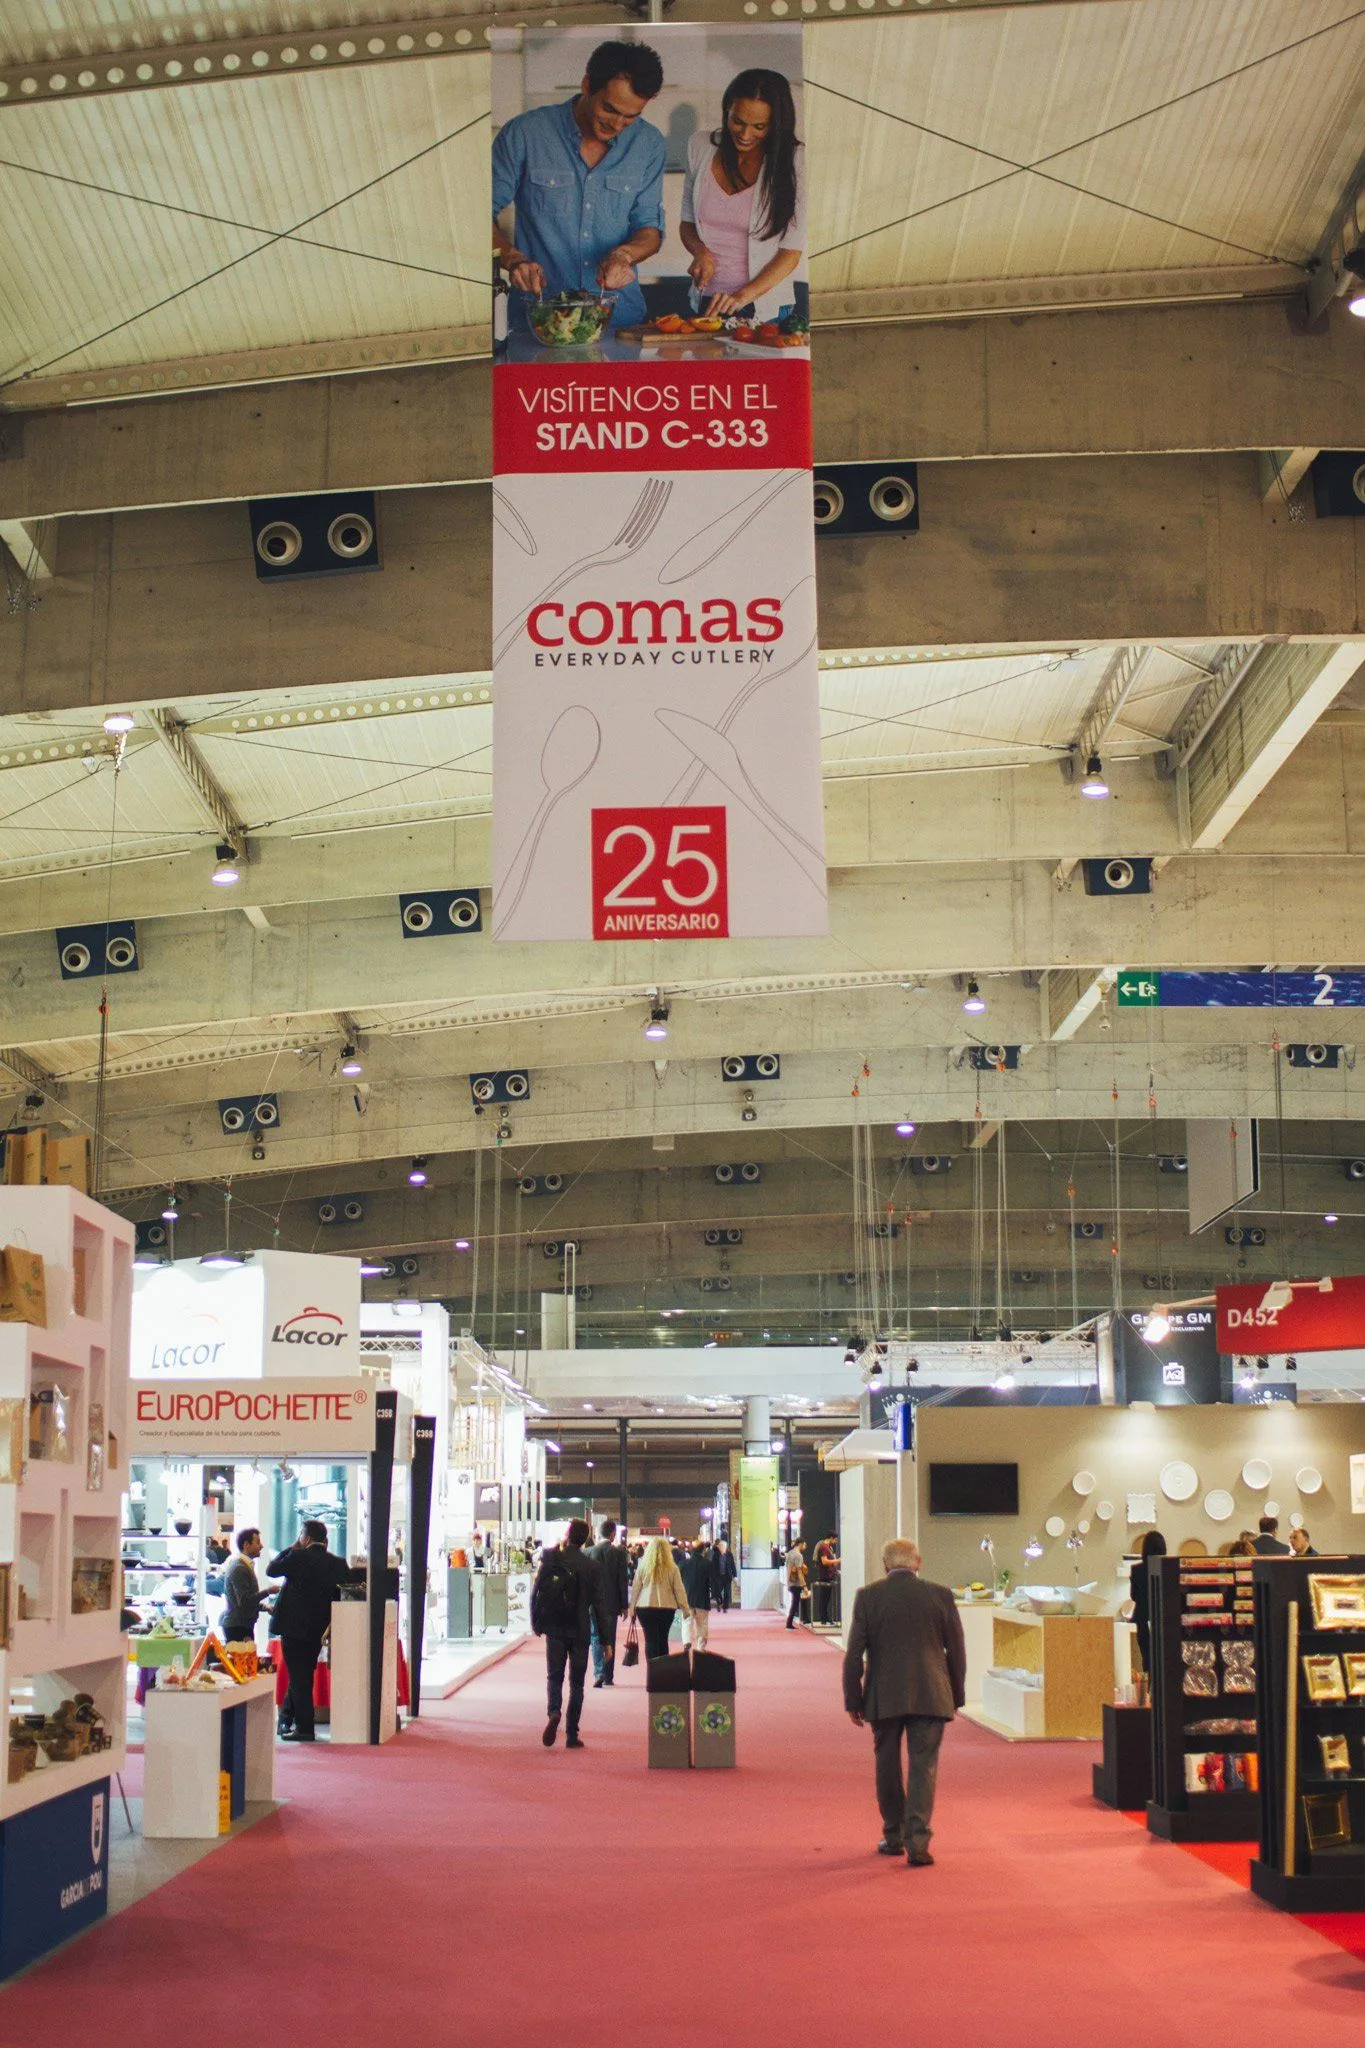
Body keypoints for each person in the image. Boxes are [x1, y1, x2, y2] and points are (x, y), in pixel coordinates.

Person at [492, 39, 665, 334]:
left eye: (631, 116)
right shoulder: (524, 134)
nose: (617, 125)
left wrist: (623, 255)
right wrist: (513, 259)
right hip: (539, 320)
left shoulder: (648, 143)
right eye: (609, 109)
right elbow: (475, 216)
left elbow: (650, 230)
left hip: (619, 322)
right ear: (587, 85)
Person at [842, 1538, 967, 1868]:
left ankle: (894, 1834)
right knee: (924, 1766)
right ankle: (918, 1842)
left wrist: (853, 1698)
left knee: (886, 1763)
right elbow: (956, 1650)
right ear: (918, 1562)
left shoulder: (868, 1597)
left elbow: (854, 1653)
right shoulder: (940, 1595)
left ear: (885, 1565)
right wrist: (956, 1694)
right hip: (931, 1692)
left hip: (883, 1694)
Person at [679, 67, 806, 324]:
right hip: (706, 300)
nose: (745, 135)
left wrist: (740, 298)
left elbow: (791, 252)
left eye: (759, 126)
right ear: (727, 109)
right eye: (737, 121)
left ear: (776, 124)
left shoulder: (796, 160)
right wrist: (700, 251)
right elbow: (687, 223)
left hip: (764, 306)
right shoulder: (700, 146)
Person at [266, 1520, 360, 1742]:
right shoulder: (337, 1563)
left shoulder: (297, 1556)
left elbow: (272, 1569)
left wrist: (292, 1547)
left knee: (300, 1677)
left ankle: (305, 1728)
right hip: (318, 1629)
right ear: (325, 1540)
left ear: (305, 1538)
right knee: (303, 1674)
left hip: (292, 1628)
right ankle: (287, 1719)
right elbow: (346, 1592)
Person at [532, 1518, 608, 1750]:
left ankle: (554, 1712)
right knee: (577, 1683)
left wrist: (536, 1622)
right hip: (580, 1630)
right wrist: (606, 1641)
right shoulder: (591, 1566)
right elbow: (599, 1605)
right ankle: (572, 1734)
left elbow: (536, 1591)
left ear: (568, 1533)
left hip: (554, 1627)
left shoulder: (551, 1558)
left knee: (554, 1676)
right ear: (585, 1539)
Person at [628, 1533, 690, 1662]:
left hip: (645, 1608)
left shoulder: (643, 1566)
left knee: (650, 1640)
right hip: (667, 1608)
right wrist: (685, 1608)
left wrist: (632, 1607)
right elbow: (679, 1590)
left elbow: (636, 1589)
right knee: (663, 1639)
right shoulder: (673, 1568)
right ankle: (662, 1669)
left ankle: (652, 1669)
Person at [587, 1518, 629, 1688]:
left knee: (595, 1636)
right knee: (610, 1638)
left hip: (592, 1604)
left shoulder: (589, 1552)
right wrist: (624, 1605)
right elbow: (622, 1581)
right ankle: (608, 1675)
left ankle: (598, 1672)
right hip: (611, 1604)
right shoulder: (619, 1553)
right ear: (613, 1535)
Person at [1128, 1530, 1166, 1681]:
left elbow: (1133, 1596)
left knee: (1147, 1658)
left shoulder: (1136, 1570)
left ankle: (1149, 1687)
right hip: (1162, 1618)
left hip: (1142, 1618)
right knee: (1162, 1658)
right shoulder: (1166, 1568)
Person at [221, 1526, 265, 1645]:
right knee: (241, 1657)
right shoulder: (239, 1568)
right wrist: (267, 1592)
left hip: (242, 1625)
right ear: (246, 1545)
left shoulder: (243, 1566)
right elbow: (244, 1601)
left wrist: (263, 1607)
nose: (261, 1546)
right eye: (258, 1542)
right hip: (237, 1626)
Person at [681, 1540, 713, 1652]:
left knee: (686, 1621)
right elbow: (713, 1582)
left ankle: (686, 1642)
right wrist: (717, 1596)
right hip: (702, 1599)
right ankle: (700, 1647)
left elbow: (679, 1582)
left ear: (691, 1550)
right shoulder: (708, 1564)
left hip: (687, 1598)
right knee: (702, 1624)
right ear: (703, 1550)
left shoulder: (683, 1564)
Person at [813, 1531, 840, 1626]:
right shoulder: (823, 1547)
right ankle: (824, 1619)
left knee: (826, 1598)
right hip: (825, 1576)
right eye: (835, 1539)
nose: (836, 1542)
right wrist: (837, 1560)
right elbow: (824, 1561)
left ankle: (825, 1618)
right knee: (824, 1598)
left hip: (829, 1575)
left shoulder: (828, 1548)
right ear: (831, 1538)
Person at [784, 1539, 809, 1630]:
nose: (805, 1547)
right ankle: (789, 1623)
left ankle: (804, 1619)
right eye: (804, 1545)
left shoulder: (789, 1553)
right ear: (800, 1544)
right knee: (795, 1603)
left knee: (797, 1601)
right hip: (796, 1583)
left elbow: (788, 1568)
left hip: (790, 1581)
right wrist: (804, 1585)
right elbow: (799, 1571)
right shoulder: (798, 1555)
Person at [710, 1536, 737, 1613]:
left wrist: (735, 1575)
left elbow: (733, 1565)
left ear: (725, 1547)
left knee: (727, 1593)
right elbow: (713, 1566)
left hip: (727, 1576)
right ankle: (720, 1603)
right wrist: (712, 1576)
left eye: (723, 1546)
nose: (722, 1547)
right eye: (721, 1546)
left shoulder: (729, 1555)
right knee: (717, 1592)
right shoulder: (716, 1555)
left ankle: (725, 1607)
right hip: (718, 1576)